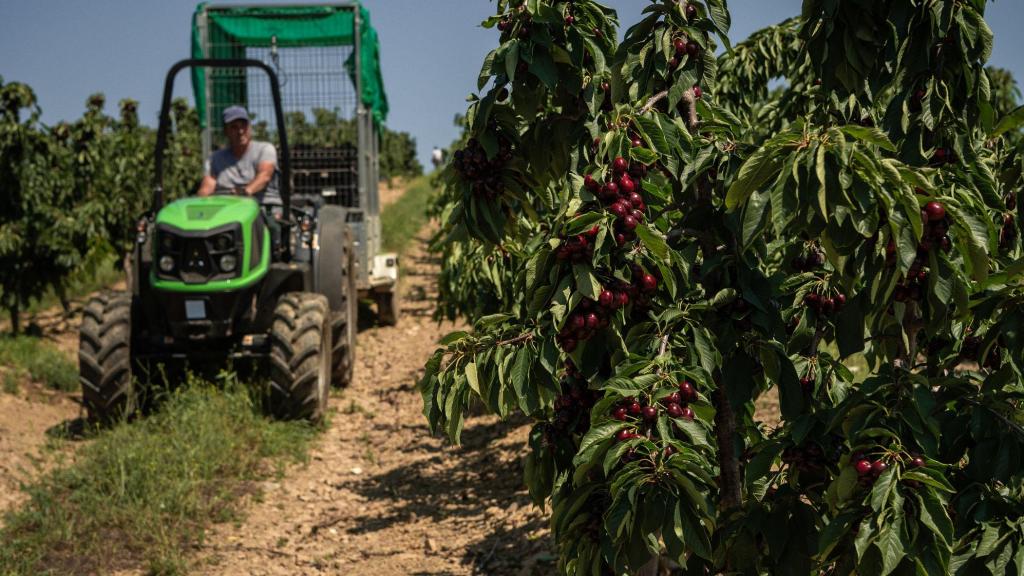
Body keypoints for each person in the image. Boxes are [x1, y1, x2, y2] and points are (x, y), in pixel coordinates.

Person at [197, 105, 280, 208]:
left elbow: (264, 176)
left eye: (243, 126)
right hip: (227, 210)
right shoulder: (215, 159)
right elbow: (207, 187)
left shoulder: (265, 149)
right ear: (225, 131)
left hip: (263, 207)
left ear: (249, 127)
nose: (240, 131)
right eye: (234, 127)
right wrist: (199, 204)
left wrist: (245, 192)